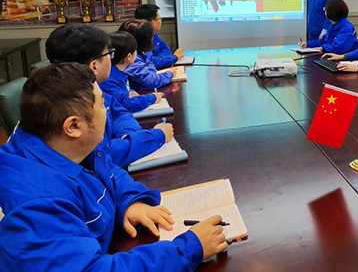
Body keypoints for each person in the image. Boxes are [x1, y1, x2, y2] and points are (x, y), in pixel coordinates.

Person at [0, 62, 227, 269]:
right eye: (102, 105)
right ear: (74, 126)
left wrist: (129, 202)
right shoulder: (38, 203)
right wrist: (186, 250)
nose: (107, 110)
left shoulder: (60, 144)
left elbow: (108, 169)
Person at [46, 24, 171, 167]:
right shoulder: (73, 104)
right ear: (94, 66)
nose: (112, 59)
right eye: (109, 54)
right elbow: (101, 158)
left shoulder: (90, 87)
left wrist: (127, 134)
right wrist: (155, 137)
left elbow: (118, 111)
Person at [100, 31, 163, 113]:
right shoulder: (108, 78)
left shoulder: (120, 72)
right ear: (129, 56)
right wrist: (152, 98)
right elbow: (124, 104)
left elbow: (123, 93)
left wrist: (131, 91)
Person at [120, 19, 175, 91]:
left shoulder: (140, 54)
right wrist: (170, 73)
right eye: (151, 37)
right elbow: (151, 81)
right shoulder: (130, 59)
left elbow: (151, 68)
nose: (152, 40)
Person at [135, 3, 184, 69]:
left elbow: (166, 49)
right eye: (159, 18)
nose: (161, 21)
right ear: (153, 22)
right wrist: (174, 57)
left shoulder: (154, 34)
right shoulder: (142, 39)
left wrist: (160, 59)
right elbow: (152, 63)